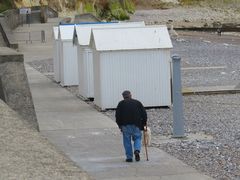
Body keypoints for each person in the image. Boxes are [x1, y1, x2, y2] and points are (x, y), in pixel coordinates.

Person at [115, 90, 147, 162]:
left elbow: (117, 116)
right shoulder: (137, 103)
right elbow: (144, 114)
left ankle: (129, 157)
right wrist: (144, 124)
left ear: (123, 97)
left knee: (127, 141)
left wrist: (120, 125)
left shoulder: (121, 104)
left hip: (125, 125)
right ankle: (137, 150)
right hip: (137, 125)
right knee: (137, 138)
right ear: (130, 95)